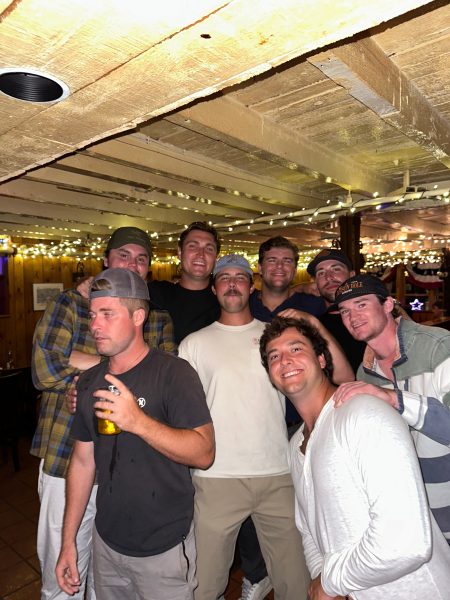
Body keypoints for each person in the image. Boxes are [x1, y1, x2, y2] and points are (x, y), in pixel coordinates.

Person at [31, 226, 176, 600]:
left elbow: (162, 384)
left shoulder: (157, 319)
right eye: (123, 255)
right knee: (62, 576)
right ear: (106, 260)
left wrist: (84, 372)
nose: (132, 264)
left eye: (141, 259)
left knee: (106, 578)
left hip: (127, 466)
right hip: (67, 457)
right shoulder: (70, 304)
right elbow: (45, 370)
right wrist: (112, 371)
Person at [260, 316, 450, 599]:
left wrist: (330, 583)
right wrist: (323, 575)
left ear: (322, 359)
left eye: (296, 349)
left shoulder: (363, 414)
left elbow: (407, 542)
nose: (285, 360)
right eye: (274, 356)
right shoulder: (296, 444)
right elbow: (308, 527)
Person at [55, 268, 214, 600]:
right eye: (92, 315)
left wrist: (137, 421)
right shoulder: (90, 381)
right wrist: (68, 541)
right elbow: (83, 462)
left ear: (138, 316)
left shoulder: (173, 373)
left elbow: (204, 453)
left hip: (164, 548)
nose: (95, 325)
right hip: (107, 543)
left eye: (107, 314)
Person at [179, 254, 309, 600]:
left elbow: (310, 389)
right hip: (215, 477)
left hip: (277, 474)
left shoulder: (275, 338)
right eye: (224, 278)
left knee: (295, 581)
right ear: (214, 288)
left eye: (240, 277)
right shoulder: (193, 344)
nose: (233, 284)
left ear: (251, 287)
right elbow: (183, 410)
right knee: (205, 585)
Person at [333, 273, 450, 545]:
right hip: (416, 515)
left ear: (387, 305)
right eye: (345, 311)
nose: (352, 316)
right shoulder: (366, 373)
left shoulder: (437, 346)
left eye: (361, 304)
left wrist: (393, 398)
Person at [148, 221, 220, 344]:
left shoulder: (225, 301)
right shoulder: (156, 295)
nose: (201, 254)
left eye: (209, 249)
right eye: (193, 246)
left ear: (215, 258)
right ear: (180, 253)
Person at [306, 248, 365, 374]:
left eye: (336, 269)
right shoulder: (311, 327)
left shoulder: (372, 316)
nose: (329, 277)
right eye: (321, 273)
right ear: (316, 284)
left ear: (352, 276)